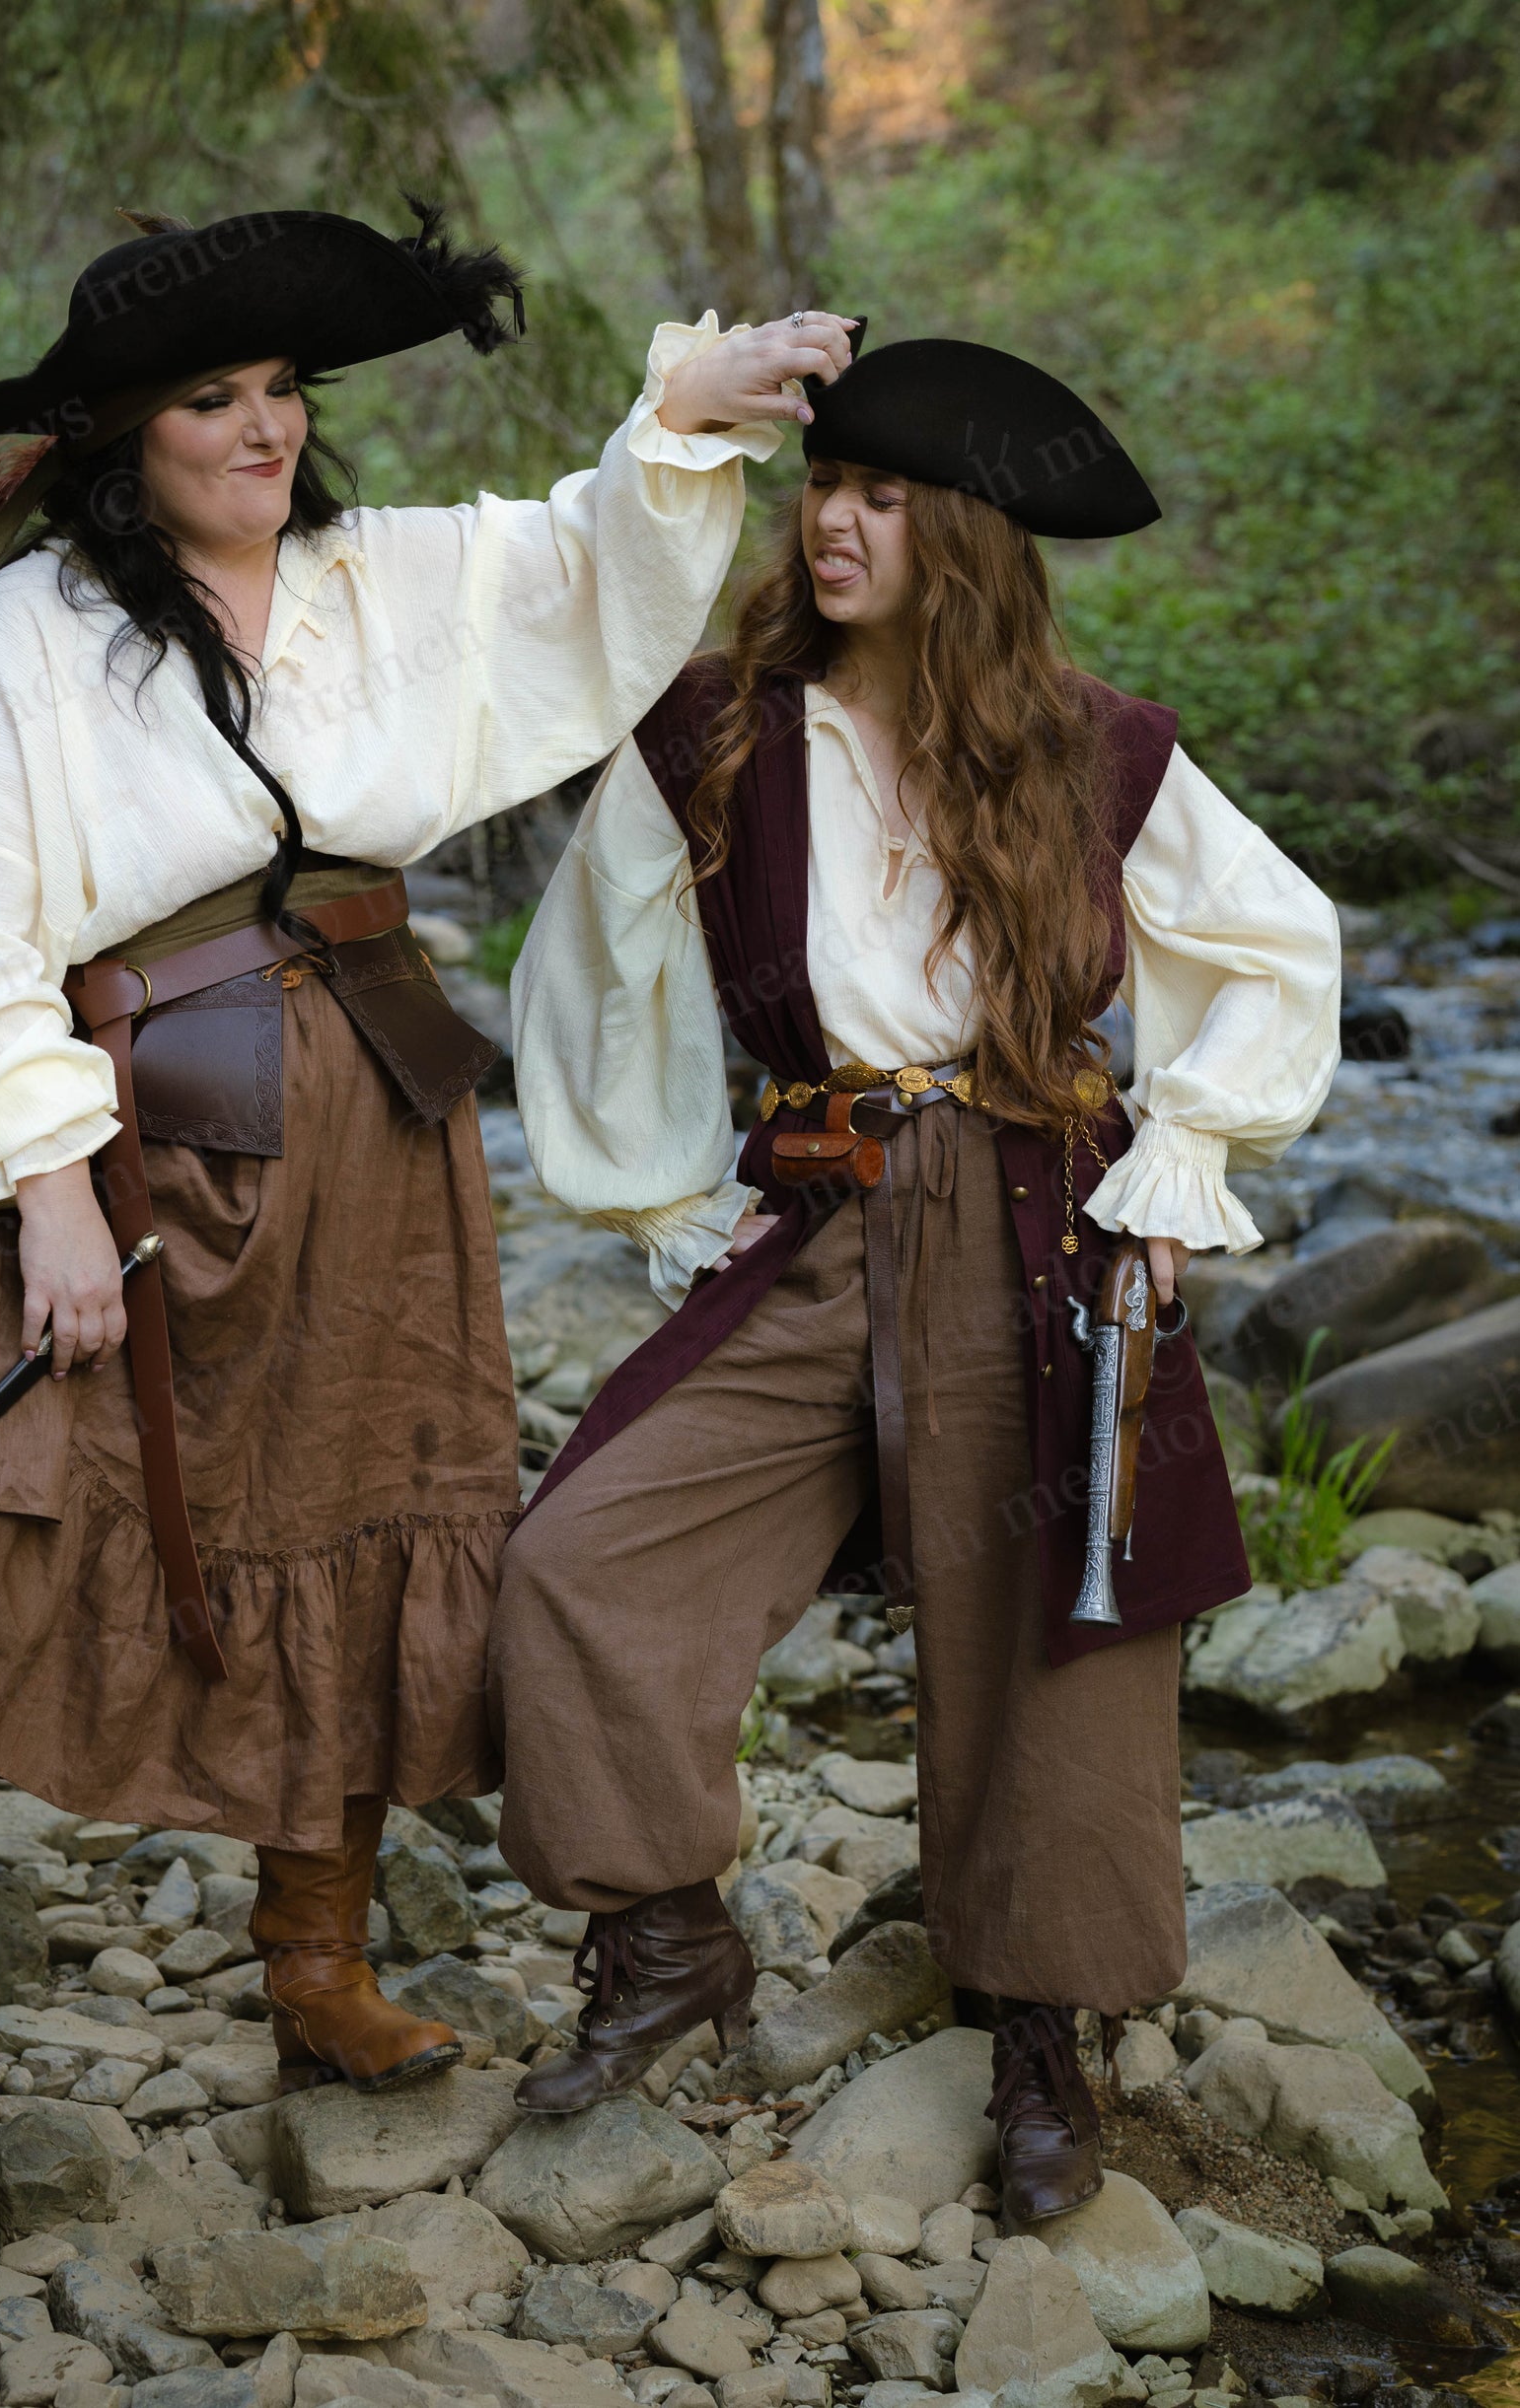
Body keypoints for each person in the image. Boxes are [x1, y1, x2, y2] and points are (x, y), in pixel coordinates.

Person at [0, 198, 858, 2176]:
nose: (262, 433)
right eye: (208, 402)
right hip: (125, 1116)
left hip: (366, 1117)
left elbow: (585, 578)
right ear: (117, 440)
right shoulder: (34, 636)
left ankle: (314, 1967)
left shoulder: (378, 580)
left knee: (351, 1507)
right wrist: (45, 1188)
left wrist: (689, 420)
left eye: (279, 395)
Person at [490, 335, 1341, 2222]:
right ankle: (665, 1937)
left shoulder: (1094, 744)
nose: (835, 524)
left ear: (960, 537)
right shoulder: (713, 725)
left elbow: (1279, 946)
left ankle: (1039, 2025)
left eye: (882, 498)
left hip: (1046, 1210)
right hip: (816, 1208)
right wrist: (651, 1195)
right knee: (580, 1556)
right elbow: (584, 961)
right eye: (827, 489)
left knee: (1053, 1615)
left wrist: (1184, 1157)